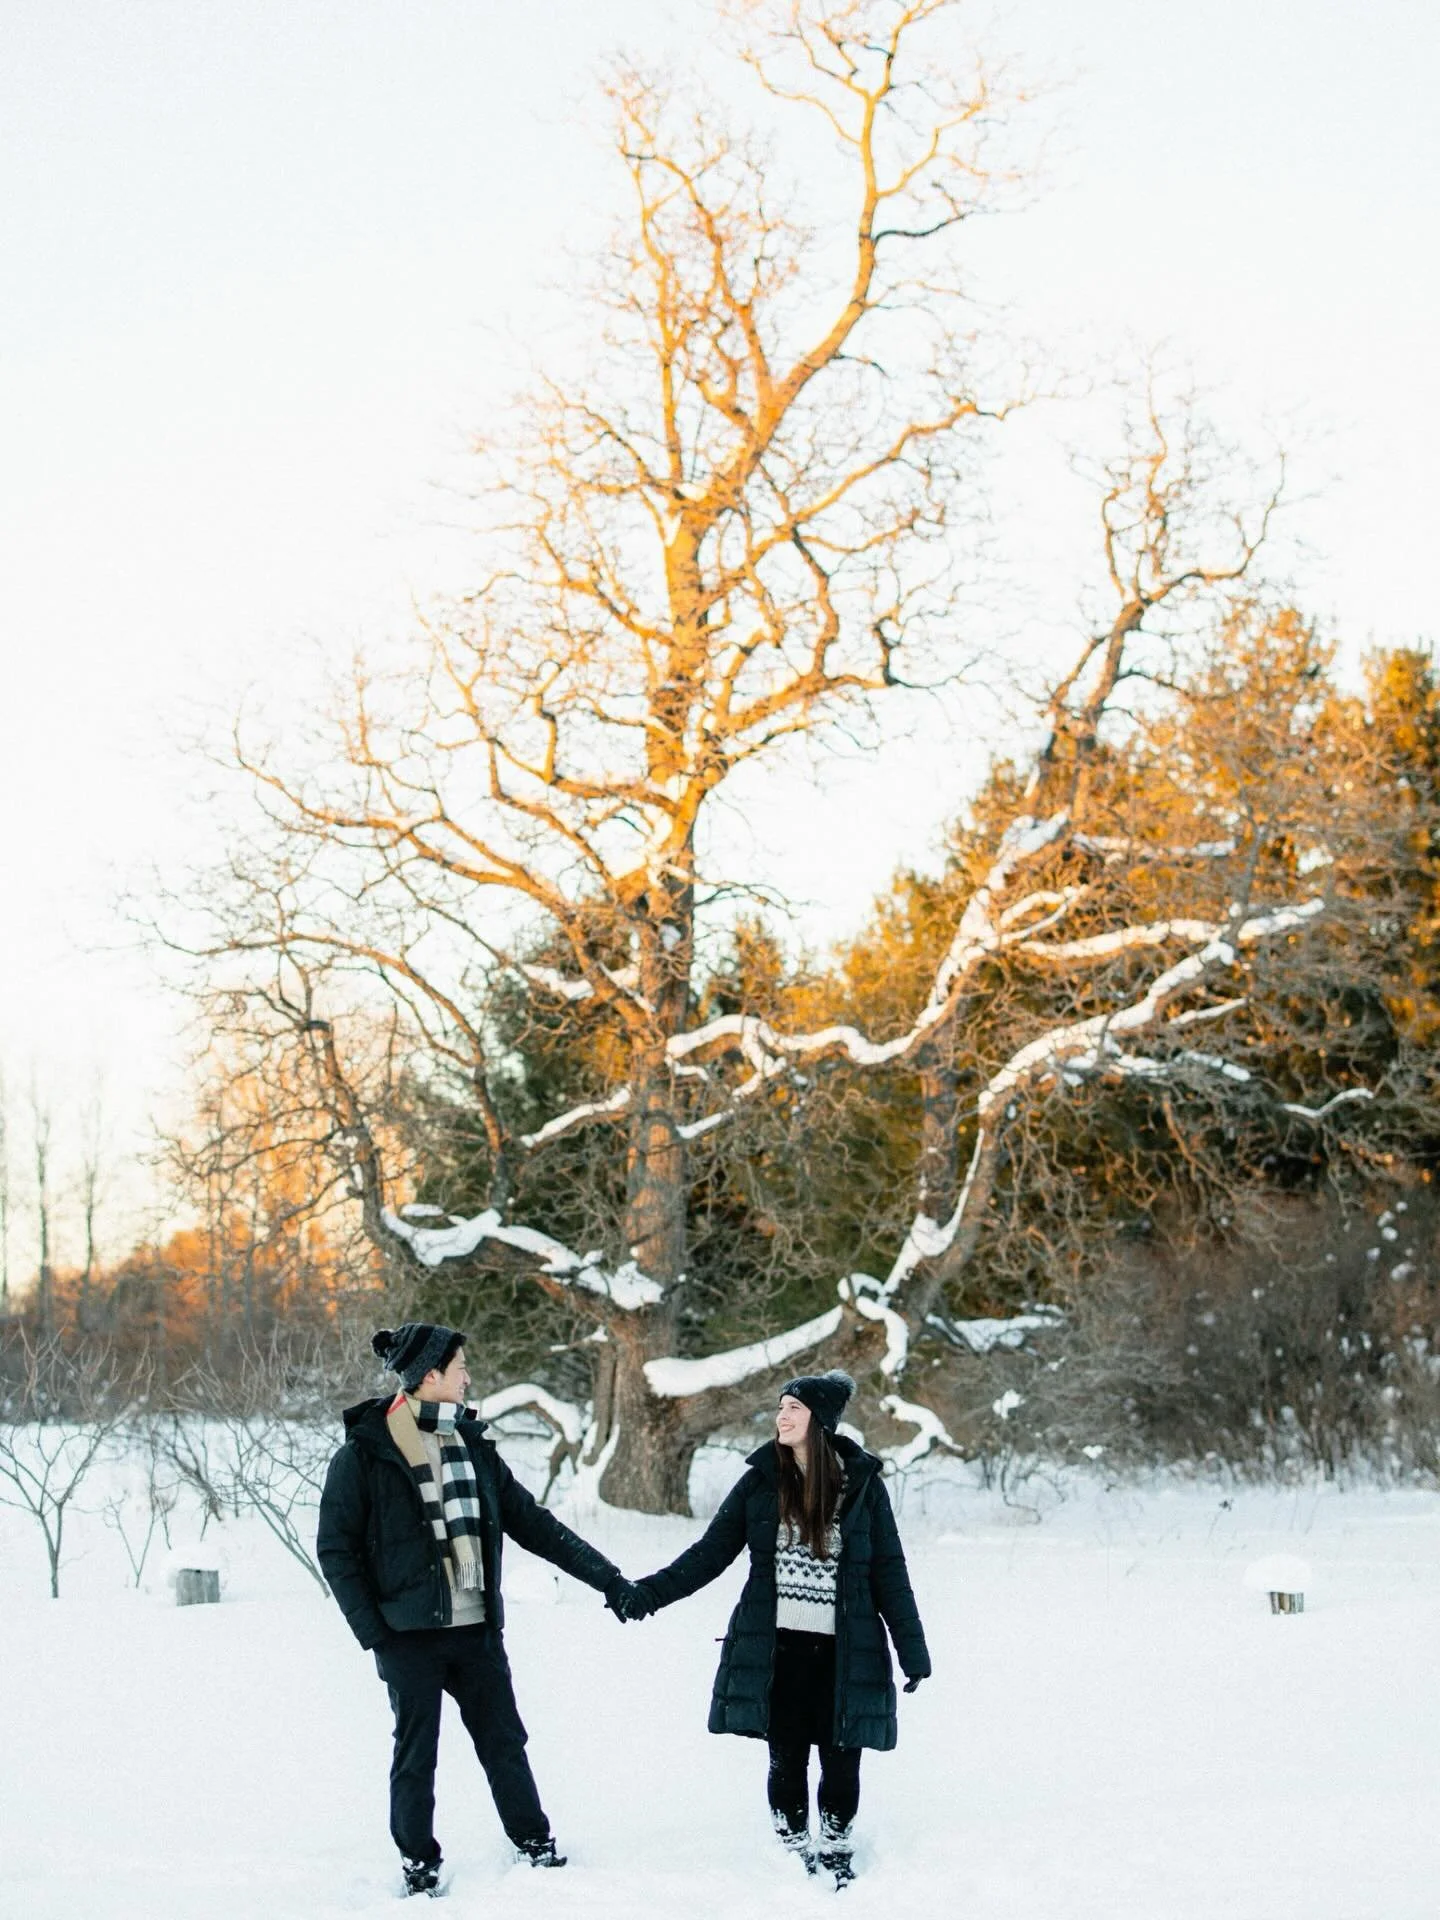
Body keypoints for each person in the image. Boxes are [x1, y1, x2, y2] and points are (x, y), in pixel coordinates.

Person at [317, 1322, 638, 1897]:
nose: (469, 1377)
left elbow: (534, 1524)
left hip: (476, 1631)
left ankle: (535, 1845)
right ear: (431, 1375)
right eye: (461, 1367)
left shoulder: (474, 1446)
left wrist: (607, 1579)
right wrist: (376, 1634)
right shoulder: (366, 1452)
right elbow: (336, 1549)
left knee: (504, 1743)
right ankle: (419, 1865)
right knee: (417, 1756)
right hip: (407, 1633)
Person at [620, 1369, 930, 1889]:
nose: (781, 1416)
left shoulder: (863, 1488)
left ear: (821, 1422)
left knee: (841, 1761)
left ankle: (835, 1844)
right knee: (785, 1758)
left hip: (845, 1651)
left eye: (794, 1408)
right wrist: (648, 1594)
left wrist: (913, 1651)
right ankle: (792, 1847)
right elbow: (709, 1554)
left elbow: (889, 1573)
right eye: (781, 1406)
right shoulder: (762, 1481)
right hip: (777, 1650)